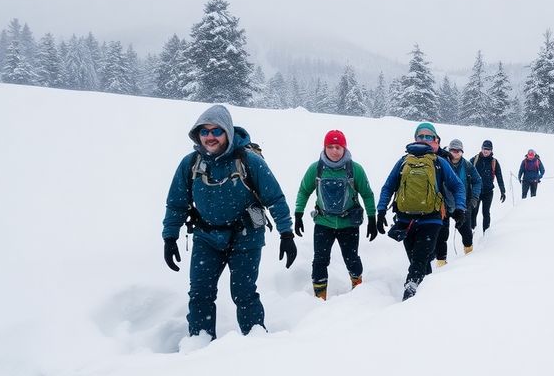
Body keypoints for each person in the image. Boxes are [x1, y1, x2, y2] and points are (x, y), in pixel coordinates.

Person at [161, 104, 296, 339]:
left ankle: (255, 339)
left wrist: (287, 234)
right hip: (206, 237)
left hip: (246, 236)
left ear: (228, 132)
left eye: (216, 131)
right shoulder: (190, 163)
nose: (210, 137)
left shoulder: (249, 161)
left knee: (244, 292)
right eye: (205, 131)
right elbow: (176, 203)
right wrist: (170, 237)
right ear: (198, 134)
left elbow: (275, 198)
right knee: (200, 293)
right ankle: (200, 343)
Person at [376, 122, 466, 300]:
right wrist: (381, 211)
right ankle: (428, 294)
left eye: (429, 136)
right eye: (421, 136)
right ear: (415, 138)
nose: (425, 139)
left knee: (418, 259)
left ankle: (411, 291)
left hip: (431, 220)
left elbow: (458, 186)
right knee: (419, 261)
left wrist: (460, 208)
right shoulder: (403, 162)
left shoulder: (439, 162)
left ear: (435, 140)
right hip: (405, 220)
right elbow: (388, 186)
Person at [293, 130, 378, 300]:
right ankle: (319, 297)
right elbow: (304, 191)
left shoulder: (355, 169)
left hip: (349, 224)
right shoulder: (316, 169)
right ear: (324, 148)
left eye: (338, 147)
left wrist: (372, 219)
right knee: (320, 261)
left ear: (344, 148)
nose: (334, 151)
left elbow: (367, 194)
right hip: (323, 222)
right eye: (330, 146)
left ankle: (358, 289)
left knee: (352, 259)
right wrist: (298, 214)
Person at [434, 138, 482, 266]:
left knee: (466, 233)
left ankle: (470, 257)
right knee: (441, 235)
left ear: (462, 152)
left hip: (462, 205)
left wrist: (474, 198)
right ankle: (441, 263)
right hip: (443, 205)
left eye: (458, 151)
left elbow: (478, 181)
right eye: (452, 150)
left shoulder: (467, 166)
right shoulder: (441, 162)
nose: (455, 153)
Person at [470, 139, 506, 232]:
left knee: (486, 213)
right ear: (481, 148)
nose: (486, 151)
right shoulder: (474, 160)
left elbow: (499, 177)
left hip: (488, 192)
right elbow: (466, 175)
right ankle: (472, 231)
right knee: (473, 212)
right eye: (484, 148)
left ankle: (486, 234)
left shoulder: (494, 162)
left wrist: (503, 191)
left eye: (488, 149)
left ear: (491, 151)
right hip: (475, 192)